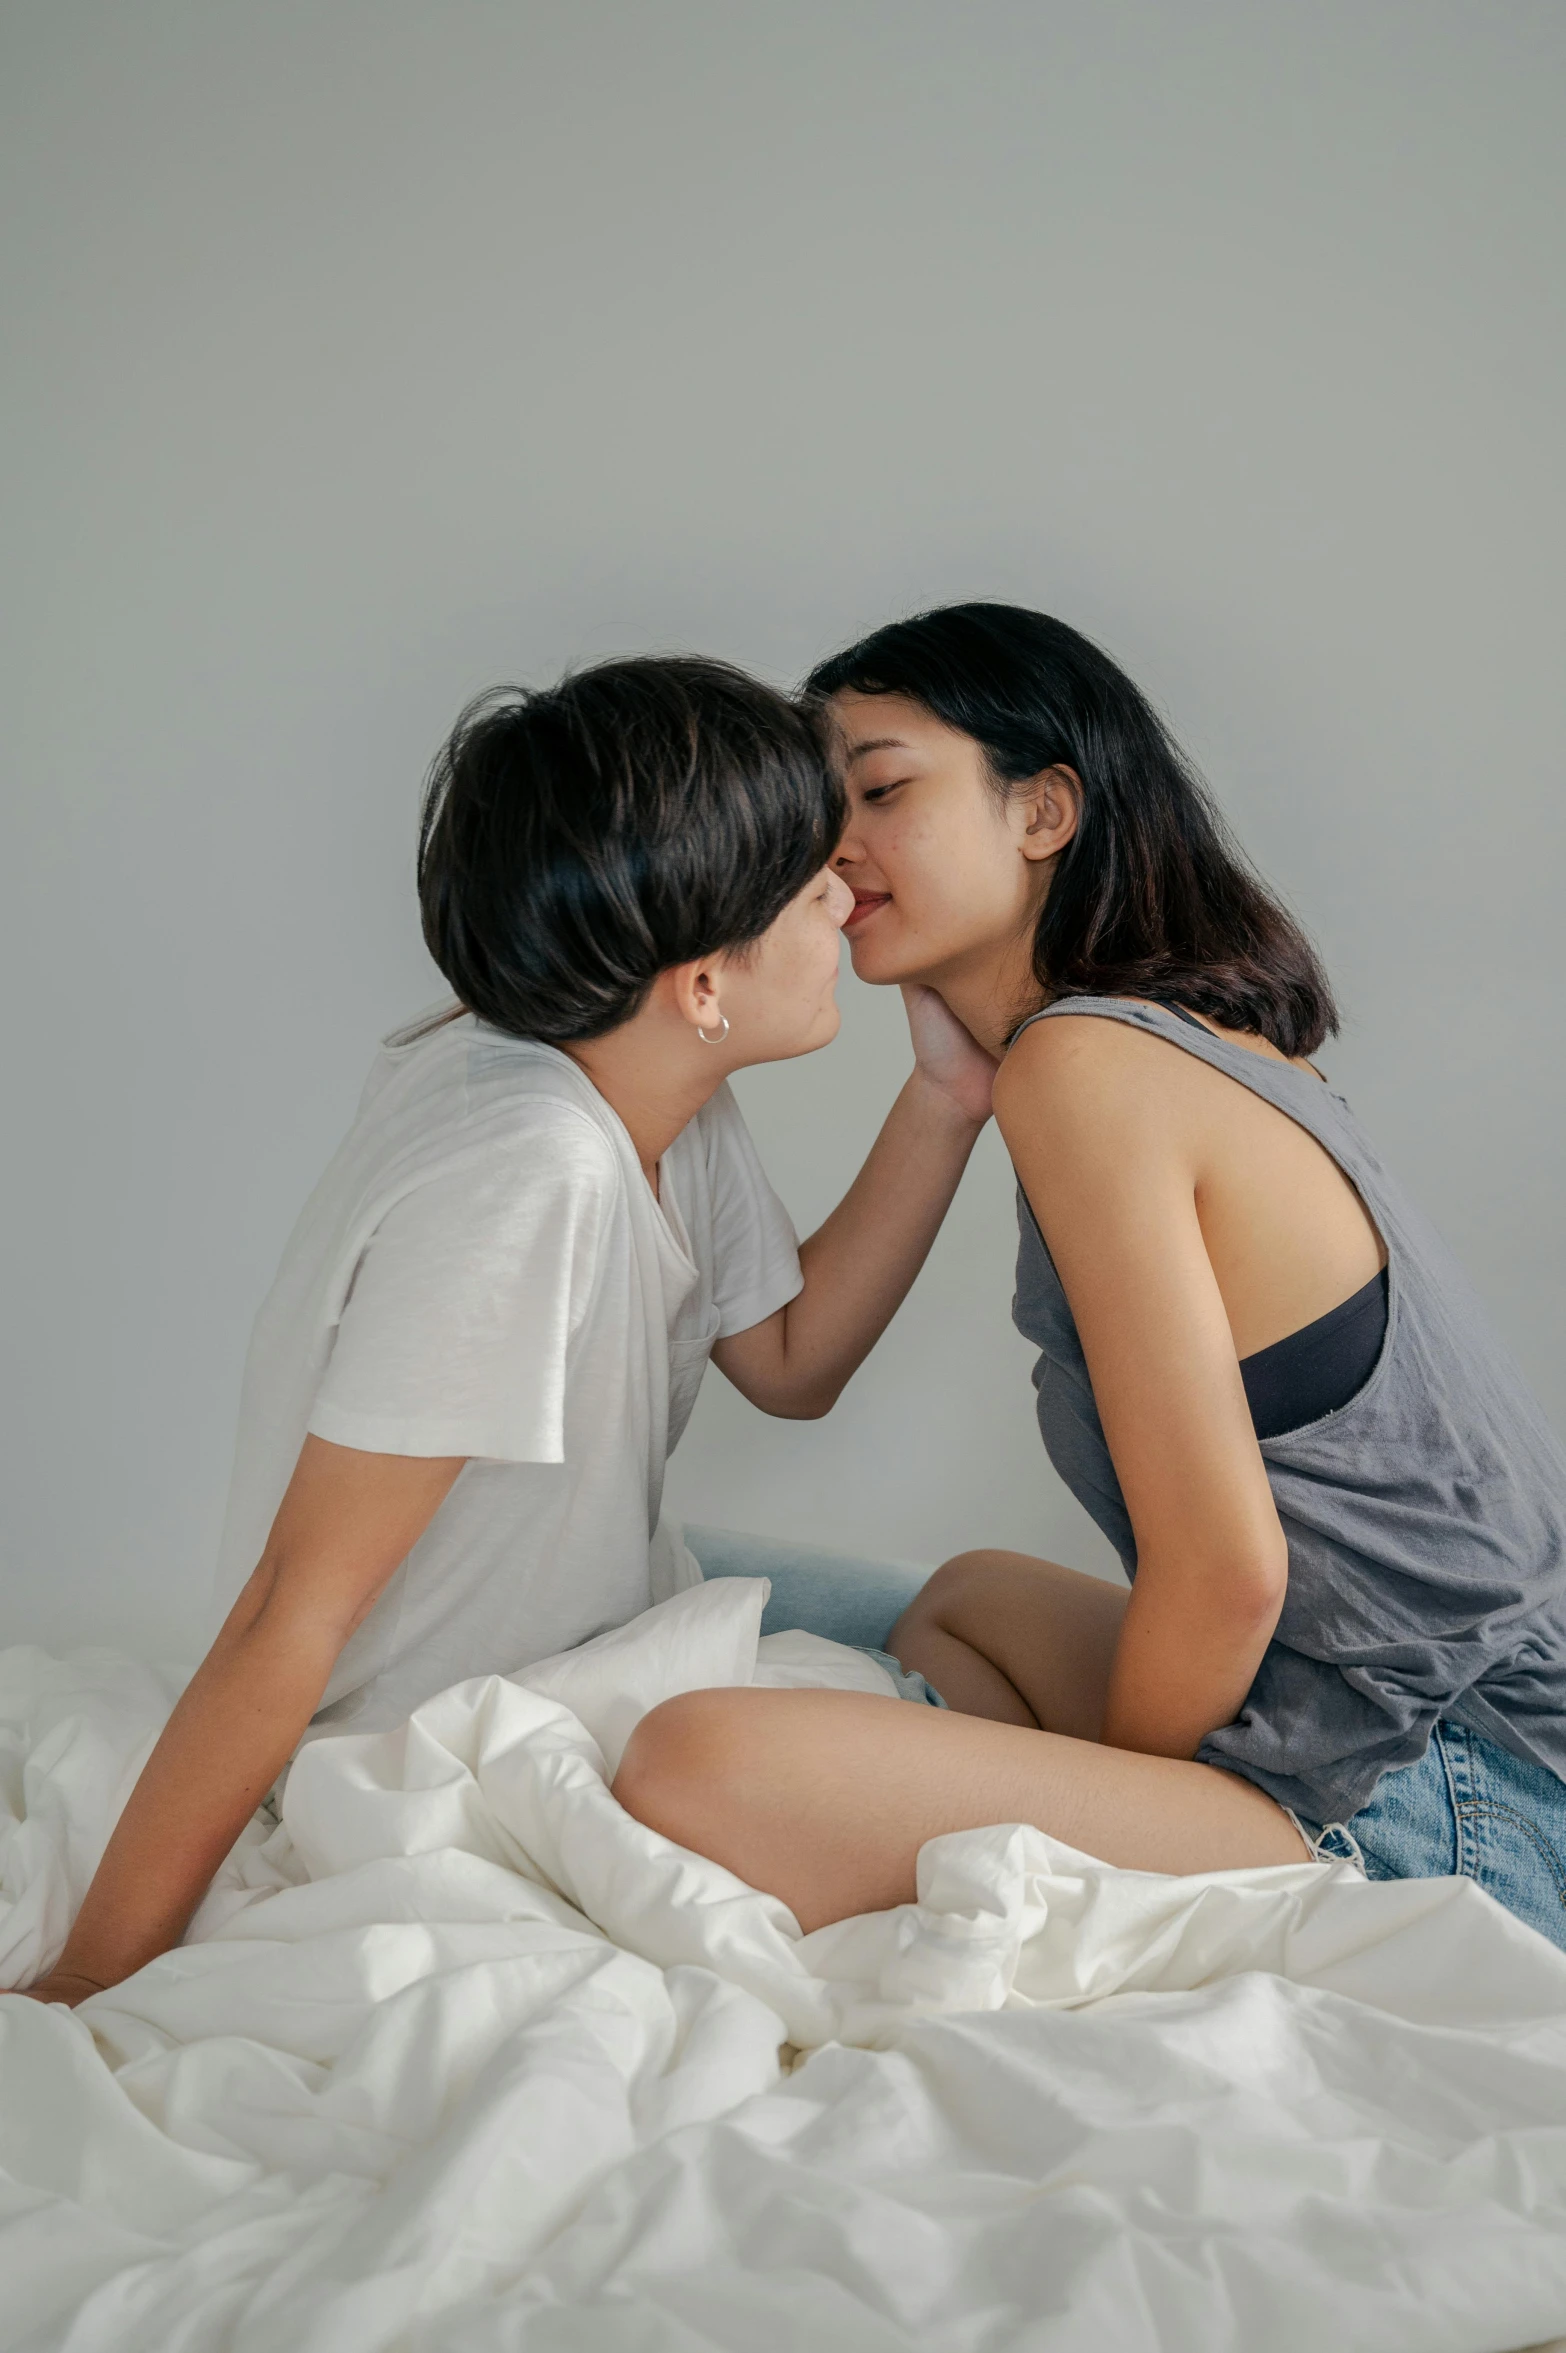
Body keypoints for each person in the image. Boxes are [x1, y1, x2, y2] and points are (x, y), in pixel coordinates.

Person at [23, 653, 995, 2007]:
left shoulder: (640, 1065)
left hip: (614, 1606)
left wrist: (946, 1100)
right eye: (809, 880)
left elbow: (790, 1364)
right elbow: (293, 1607)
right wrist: (91, 1977)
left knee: (977, 1605)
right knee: (966, 1689)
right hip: (448, 1736)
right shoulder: (525, 1166)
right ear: (704, 983)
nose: (845, 898)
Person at [614, 602, 1566, 1951]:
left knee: (691, 1761)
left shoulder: (1088, 1067)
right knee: (968, 1600)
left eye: (881, 788)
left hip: (1454, 1799)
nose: (835, 846)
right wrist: (948, 1095)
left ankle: (1109, 1894)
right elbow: (793, 1371)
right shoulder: (1163, 1041)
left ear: (1043, 811)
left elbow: (1223, 1574)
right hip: (1429, 1730)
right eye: (821, 812)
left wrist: (1119, 1801)